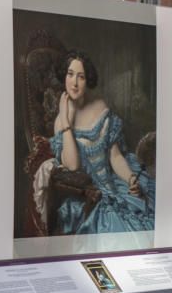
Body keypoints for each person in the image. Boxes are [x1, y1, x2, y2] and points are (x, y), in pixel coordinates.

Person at [40, 51, 153, 235]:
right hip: (89, 195)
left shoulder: (100, 107)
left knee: (145, 218)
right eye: (70, 74)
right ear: (64, 76)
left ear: (88, 80)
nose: (74, 83)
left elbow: (115, 156)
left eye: (81, 76)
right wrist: (66, 122)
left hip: (115, 183)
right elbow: (73, 164)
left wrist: (130, 178)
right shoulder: (60, 122)